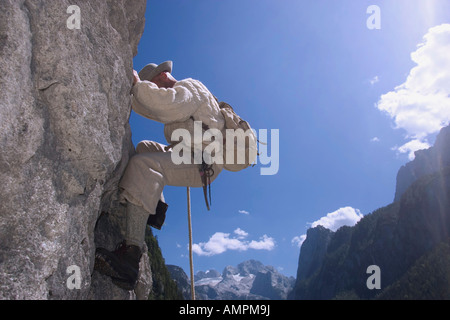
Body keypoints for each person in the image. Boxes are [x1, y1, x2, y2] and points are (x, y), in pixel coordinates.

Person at [94, 61, 225, 290]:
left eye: (152, 83)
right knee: (146, 147)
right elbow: (150, 106)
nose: (153, 88)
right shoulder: (181, 94)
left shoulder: (190, 87)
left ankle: (129, 259)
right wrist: (136, 90)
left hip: (203, 161)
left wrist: (138, 85)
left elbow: (163, 104)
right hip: (191, 154)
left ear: (163, 75)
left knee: (143, 165)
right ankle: (154, 208)